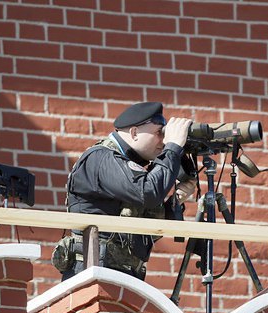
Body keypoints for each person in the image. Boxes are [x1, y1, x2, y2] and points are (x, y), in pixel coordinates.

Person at [52, 101, 197, 281]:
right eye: (159, 133)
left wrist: (175, 200)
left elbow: (140, 237)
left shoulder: (126, 167)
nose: (163, 140)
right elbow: (148, 192)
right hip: (93, 274)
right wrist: (173, 147)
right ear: (134, 132)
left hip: (120, 275)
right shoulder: (101, 158)